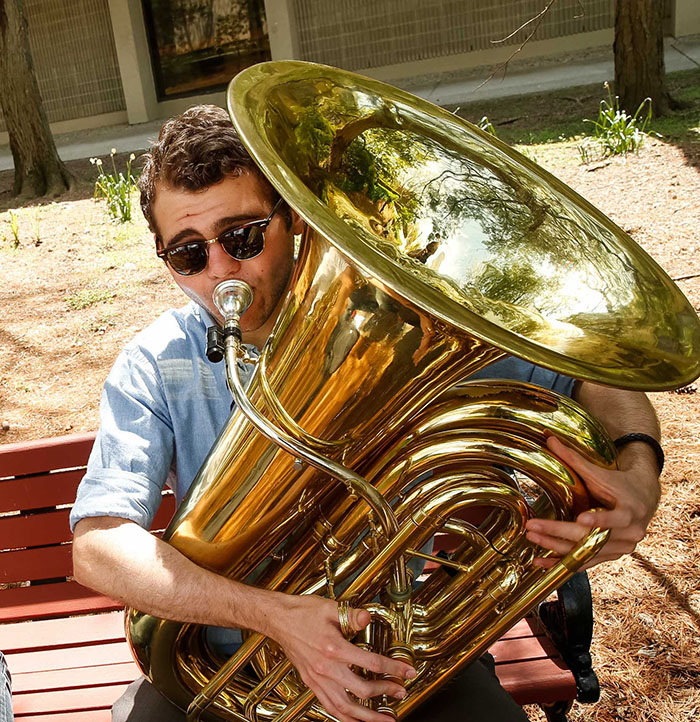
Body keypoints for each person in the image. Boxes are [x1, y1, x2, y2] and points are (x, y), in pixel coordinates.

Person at [70, 105, 663, 722]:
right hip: (223, 670)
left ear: (293, 219)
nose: (220, 269)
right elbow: (98, 546)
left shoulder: (398, 330)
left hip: (399, 659)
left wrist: (638, 472)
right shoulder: (157, 362)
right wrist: (275, 616)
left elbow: (589, 377)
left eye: (242, 236)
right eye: (189, 254)